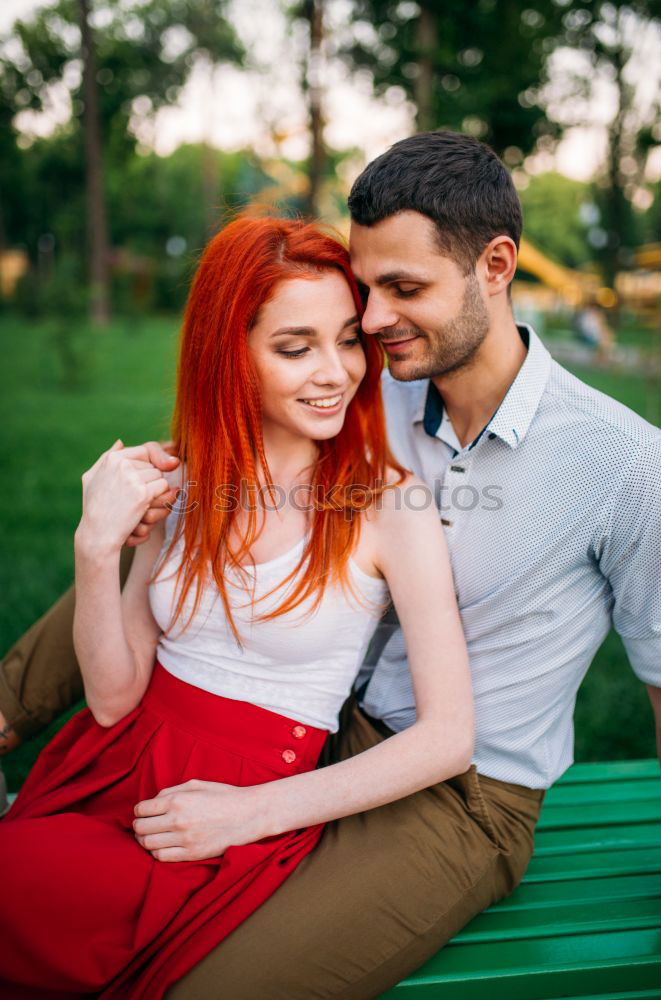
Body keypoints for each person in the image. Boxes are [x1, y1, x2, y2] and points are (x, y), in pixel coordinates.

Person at [1, 130, 661, 999]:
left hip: (464, 793)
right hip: (323, 725)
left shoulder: (626, 467)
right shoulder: (365, 376)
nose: (377, 322)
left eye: (404, 289)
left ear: (497, 267)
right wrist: (158, 494)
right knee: (163, 538)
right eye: (367, 292)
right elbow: (230, 468)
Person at [0, 215, 474, 998]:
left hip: (238, 805)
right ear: (231, 354)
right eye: (296, 347)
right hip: (114, 765)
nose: (336, 372)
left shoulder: (388, 506)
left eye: (349, 340)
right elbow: (115, 700)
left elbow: (449, 739)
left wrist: (251, 815)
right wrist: (95, 550)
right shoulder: (185, 485)